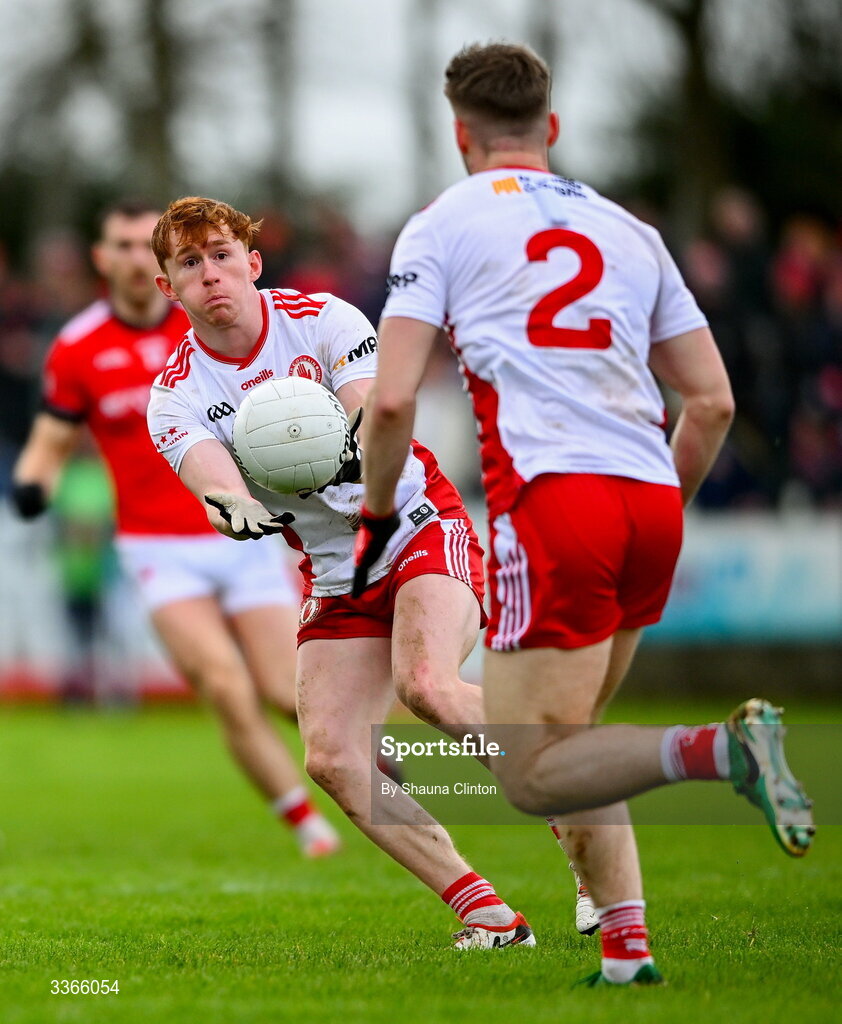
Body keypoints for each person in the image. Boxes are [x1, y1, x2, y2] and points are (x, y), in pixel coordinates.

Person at [356, 42, 815, 984]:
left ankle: (718, 749)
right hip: (651, 496)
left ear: (460, 136)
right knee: (581, 746)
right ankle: (625, 951)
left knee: (529, 772)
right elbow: (714, 402)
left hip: (554, 500)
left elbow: (392, 400)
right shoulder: (629, 230)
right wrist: (654, 509)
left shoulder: (441, 225)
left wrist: (373, 512)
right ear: (551, 129)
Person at [146, 195, 535, 950]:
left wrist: (341, 445)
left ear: (253, 263)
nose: (211, 275)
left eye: (223, 256)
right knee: (331, 756)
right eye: (189, 264)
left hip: (416, 525)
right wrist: (229, 507)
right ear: (169, 288)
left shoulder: (324, 317)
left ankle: (574, 806)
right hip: (334, 572)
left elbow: (370, 407)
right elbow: (213, 478)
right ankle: (489, 916)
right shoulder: (175, 393)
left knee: (426, 684)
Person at [11, 199, 339, 858]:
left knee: (288, 690)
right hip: (158, 549)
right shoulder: (78, 348)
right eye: (123, 246)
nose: (135, 257)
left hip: (243, 537)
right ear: (104, 260)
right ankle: (310, 828)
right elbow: (50, 442)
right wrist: (31, 487)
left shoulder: (218, 327)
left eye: (145, 245)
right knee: (222, 683)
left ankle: (417, 786)